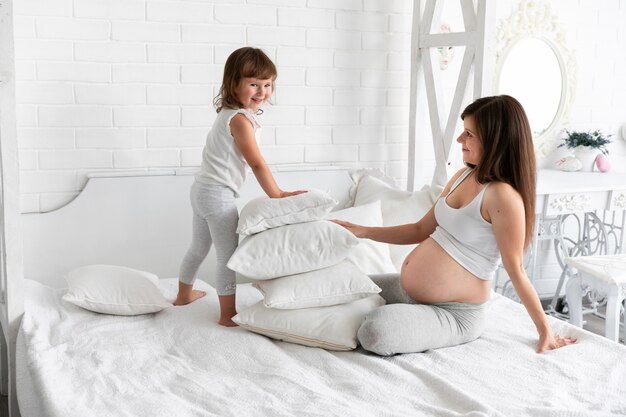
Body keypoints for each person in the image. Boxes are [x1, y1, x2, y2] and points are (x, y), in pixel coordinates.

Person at [333, 95, 576, 355]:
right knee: (341, 287)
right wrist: (363, 231)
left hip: (456, 313)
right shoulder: (463, 175)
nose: (460, 140)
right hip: (410, 292)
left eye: (469, 134)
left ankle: (405, 319)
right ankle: (406, 316)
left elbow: (516, 269)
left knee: (374, 332)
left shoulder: (503, 196)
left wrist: (545, 330)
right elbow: (419, 229)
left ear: (496, 141)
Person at [175, 47, 305, 326]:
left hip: (201, 191)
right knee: (227, 257)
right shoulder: (240, 121)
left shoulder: (228, 114)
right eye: (253, 84)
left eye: (268, 84)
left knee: (198, 248)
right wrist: (277, 194)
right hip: (217, 196)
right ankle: (227, 315)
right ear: (233, 84)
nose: (262, 91)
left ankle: (183, 296)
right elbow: (257, 163)